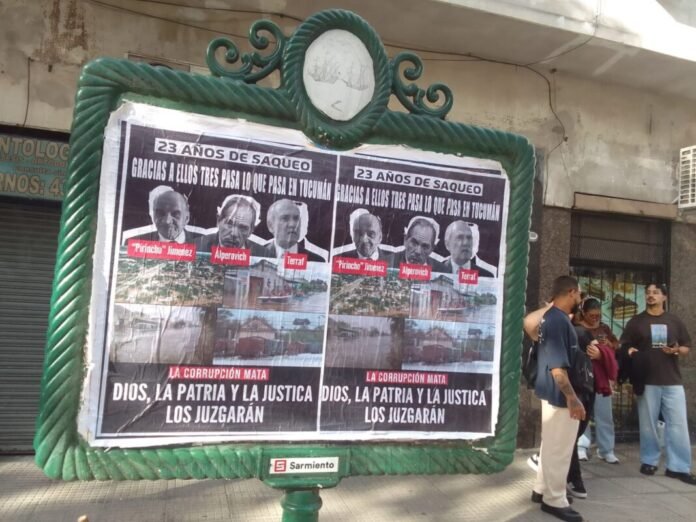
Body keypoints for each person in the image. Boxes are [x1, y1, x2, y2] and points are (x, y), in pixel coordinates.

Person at [620, 283, 695, 484]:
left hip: (672, 380)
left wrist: (676, 350)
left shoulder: (674, 321)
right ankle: (649, 460)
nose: (651, 295)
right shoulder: (636, 321)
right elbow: (624, 345)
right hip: (646, 379)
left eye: (655, 292)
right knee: (648, 424)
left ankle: (678, 467)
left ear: (664, 297)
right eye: (648, 293)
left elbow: (686, 347)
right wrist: (629, 351)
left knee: (678, 424)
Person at [531, 276, 585, 522]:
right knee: (560, 450)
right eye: (579, 293)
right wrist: (573, 398)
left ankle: (541, 489)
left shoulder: (553, 318)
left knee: (551, 445)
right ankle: (554, 500)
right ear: (571, 292)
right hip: (560, 395)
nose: (580, 298)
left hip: (552, 392)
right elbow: (558, 370)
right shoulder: (557, 320)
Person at [575, 297, 620, 464]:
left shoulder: (604, 328)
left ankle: (606, 449)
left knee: (605, 414)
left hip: (601, 377)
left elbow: (616, 346)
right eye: (592, 315)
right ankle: (581, 446)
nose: (595, 318)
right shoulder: (577, 328)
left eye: (598, 315)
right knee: (583, 414)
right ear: (584, 313)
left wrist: (607, 347)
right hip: (584, 376)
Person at [126, 185, 201, 243]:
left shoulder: (203, 242)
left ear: (187, 218)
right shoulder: (134, 242)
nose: (167, 221)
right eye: (160, 213)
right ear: (153, 216)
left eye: (175, 214)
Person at [261, 198, 326, 262]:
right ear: (271, 226)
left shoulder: (317, 261)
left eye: (296, 218)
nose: (292, 224)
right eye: (285, 218)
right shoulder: (258, 254)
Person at [196, 194, 263, 255]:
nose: (234, 233)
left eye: (242, 228)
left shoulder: (262, 255)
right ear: (218, 221)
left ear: (250, 231)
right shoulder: (196, 247)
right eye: (229, 224)